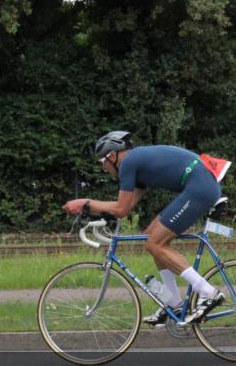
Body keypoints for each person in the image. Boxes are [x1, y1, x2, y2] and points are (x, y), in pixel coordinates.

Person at [62, 131, 223, 325]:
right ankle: (174, 303)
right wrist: (91, 209)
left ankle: (207, 292)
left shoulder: (128, 163)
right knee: (150, 237)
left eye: (102, 162)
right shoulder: (137, 165)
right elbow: (126, 207)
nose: (104, 168)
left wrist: (85, 202)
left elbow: (120, 209)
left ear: (112, 156)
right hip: (200, 183)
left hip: (199, 187)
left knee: (155, 244)